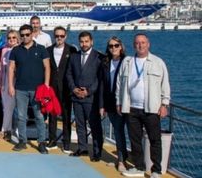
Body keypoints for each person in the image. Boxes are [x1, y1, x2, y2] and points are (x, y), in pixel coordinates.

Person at [117, 34, 170, 178]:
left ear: (148, 44)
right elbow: (119, 85)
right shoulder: (127, 62)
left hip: (151, 109)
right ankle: (139, 167)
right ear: (134, 45)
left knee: (154, 140)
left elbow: (165, 85)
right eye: (137, 43)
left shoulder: (158, 62)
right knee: (135, 140)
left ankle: (156, 170)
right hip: (131, 107)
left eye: (143, 43)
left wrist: (164, 104)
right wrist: (119, 102)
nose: (140, 45)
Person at [8, 24, 51, 154]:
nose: (25, 37)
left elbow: (47, 68)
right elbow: (11, 68)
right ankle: (22, 141)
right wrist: (10, 85)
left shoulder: (42, 49)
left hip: (38, 89)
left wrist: (46, 85)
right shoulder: (15, 50)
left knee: (39, 116)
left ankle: (42, 142)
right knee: (21, 116)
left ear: (32, 34)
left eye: (27, 34)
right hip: (20, 88)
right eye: (22, 35)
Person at [66, 31, 103, 161]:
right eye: (81, 41)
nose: (84, 44)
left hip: (90, 98)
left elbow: (99, 79)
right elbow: (69, 74)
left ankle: (97, 152)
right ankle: (83, 148)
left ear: (91, 41)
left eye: (86, 41)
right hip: (76, 96)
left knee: (94, 125)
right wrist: (74, 89)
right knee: (80, 124)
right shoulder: (74, 56)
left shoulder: (99, 57)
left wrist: (88, 91)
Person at [46, 26, 78, 153]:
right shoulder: (48, 50)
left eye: (61, 36)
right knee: (52, 115)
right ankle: (52, 141)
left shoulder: (72, 50)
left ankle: (66, 143)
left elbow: (76, 69)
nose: (59, 38)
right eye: (57, 36)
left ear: (66, 36)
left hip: (66, 87)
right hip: (52, 87)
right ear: (54, 36)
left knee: (66, 116)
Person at [99, 36, 128, 172]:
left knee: (120, 131)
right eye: (111, 46)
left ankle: (122, 160)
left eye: (116, 45)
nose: (113, 48)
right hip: (110, 102)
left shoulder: (127, 62)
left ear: (121, 47)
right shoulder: (105, 62)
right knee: (117, 130)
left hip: (124, 102)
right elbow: (102, 85)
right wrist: (101, 105)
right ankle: (120, 158)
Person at [0, 30, 19, 141]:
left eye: (14, 37)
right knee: (6, 107)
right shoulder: (4, 50)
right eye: (9, 38)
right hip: (5, 80)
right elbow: (1, 66)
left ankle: (4, 130)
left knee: (10, 107)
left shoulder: (20, 50)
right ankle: (8, 131)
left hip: (15, 81)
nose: (11, 40)